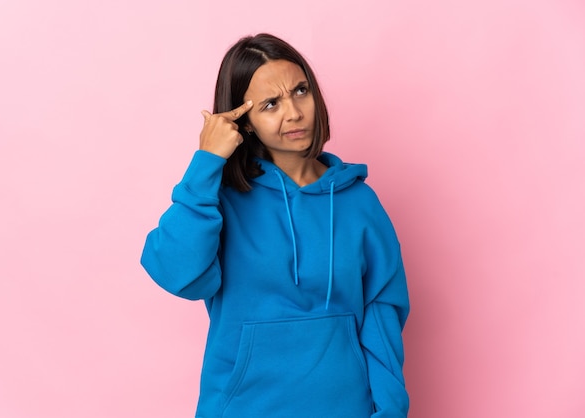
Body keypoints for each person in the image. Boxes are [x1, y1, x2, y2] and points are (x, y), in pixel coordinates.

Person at [141, 33, 410, 418]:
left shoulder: (358, 203)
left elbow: (382, 316)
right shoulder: (222, 200)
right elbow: (177, 273)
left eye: (301, 91)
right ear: (244, 121)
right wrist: (206, 163)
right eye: (271, 104)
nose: (294, 113)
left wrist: (390, 410)